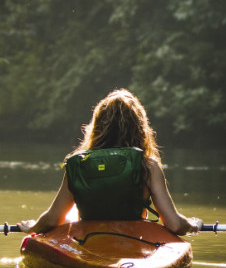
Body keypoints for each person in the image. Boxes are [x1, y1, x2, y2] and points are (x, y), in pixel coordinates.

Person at [18, 89, 202, 236]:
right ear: (140, 128)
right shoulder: (148, 166)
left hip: (88, 241)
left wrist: (33, 227)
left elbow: (52, 219)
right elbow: (175, 224)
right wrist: (192, 224)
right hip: (134, 240)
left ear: (97, 126)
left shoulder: (78, 165)